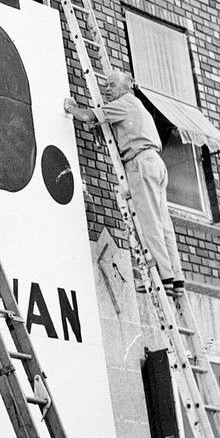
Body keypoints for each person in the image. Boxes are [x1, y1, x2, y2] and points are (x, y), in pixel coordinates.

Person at [64, 71, 185, 298]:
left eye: (112, 85)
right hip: (155, 163)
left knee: (148, 221)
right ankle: (175, 278)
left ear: (125, 88)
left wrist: (72, 108)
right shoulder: (134, 105)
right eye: (105, 85)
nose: (107, 89)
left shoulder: (123, 104)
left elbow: (90, 116)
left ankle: (161, 277)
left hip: (140, 164)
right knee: (163, 223)